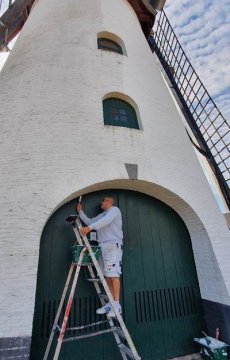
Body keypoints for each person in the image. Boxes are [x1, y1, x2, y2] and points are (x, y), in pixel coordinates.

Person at [76, 196, 123, 317]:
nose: (101, 202)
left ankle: (117, 305)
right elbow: (91, 222)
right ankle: (111, 303)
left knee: (113, 274)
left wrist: (89, 228)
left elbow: (104, 222)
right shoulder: (103, 214)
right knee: (107, 275)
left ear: (108, 202)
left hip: (112, 245)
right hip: (102, 245)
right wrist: (80, 212)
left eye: (103, 200)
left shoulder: (114, 210)